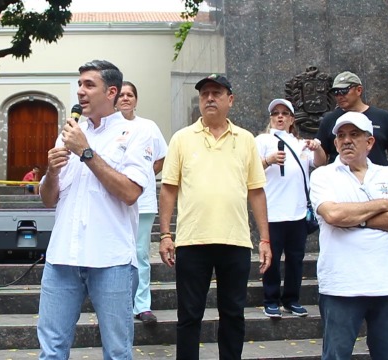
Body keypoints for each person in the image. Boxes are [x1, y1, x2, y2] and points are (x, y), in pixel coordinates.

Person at [37, 60, 153, 359]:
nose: (80, 91)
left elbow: (130, 193)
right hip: (63, 257)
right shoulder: (69, 134)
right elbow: (49, 199)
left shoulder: (136, 134)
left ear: (111, 91)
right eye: (79, 85)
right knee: (51, 351)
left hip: (111, 259)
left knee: (117, 351)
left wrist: (86, 152)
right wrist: (50, 172)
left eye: (89, 85)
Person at [158, 74, 272, 360]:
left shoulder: (246, 140)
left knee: (233, 314)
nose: (209, 98)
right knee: (189, 315)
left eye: (216, 93)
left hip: (235, 241)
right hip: (192, 242)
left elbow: (256, 192)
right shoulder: (182, 139)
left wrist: (265, 239)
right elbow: (168, 189)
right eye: (204, 94)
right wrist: (165, 235)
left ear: (229, 100)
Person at [309, 111, 388, 359]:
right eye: (341, 136)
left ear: (369, 142)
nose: (347, 140)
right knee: (337, 355)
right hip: (342, 286)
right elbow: (334, 215)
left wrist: (355, 218)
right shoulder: (322, 176)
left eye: (355, 135)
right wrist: (382, 204)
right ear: (335, 143)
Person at [255, 99, 326, 318]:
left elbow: (321, 163)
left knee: (296, 259)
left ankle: (292, 299)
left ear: (292, 119)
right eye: (275, 113)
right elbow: (249, 170)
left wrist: (318, 147)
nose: (280, 117)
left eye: (285, 113)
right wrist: (268, 160)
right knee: (272, 259)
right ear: (270, 118)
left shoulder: (300, 143)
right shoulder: (263, 140)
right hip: (273, 212)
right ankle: (271, 299)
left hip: (297, 212)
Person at [116, 80, 168, 326]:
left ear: (136, 99)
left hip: (143, 200)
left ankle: (142, 305)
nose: (126, 98)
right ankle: (118, 304)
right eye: (122, 94)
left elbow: (160, 158)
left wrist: (144, 174)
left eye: (130, 95)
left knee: (140, 253)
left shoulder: (148, 126)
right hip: (114, 201)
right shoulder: (108, 126)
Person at [316, 71, 388, 166]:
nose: (339, 96)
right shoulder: (329, 119)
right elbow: (321, 158)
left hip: (377, 178)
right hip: (341, 178)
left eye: (344, 91)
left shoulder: (383, 117)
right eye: (336, 92)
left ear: (359, 90)